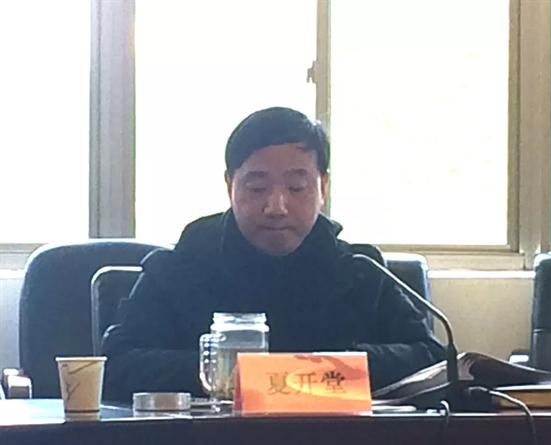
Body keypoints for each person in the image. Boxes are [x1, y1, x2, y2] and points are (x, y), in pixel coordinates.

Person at [101, 106, 445, 402]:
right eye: (257, 187)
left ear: (323, 187)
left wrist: (326, 366)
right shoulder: (180, 267)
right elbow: (115, 365)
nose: (276, 206)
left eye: (296, 187)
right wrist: (225, 370)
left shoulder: (359, 270)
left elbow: (432, 360)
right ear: (229, 185)